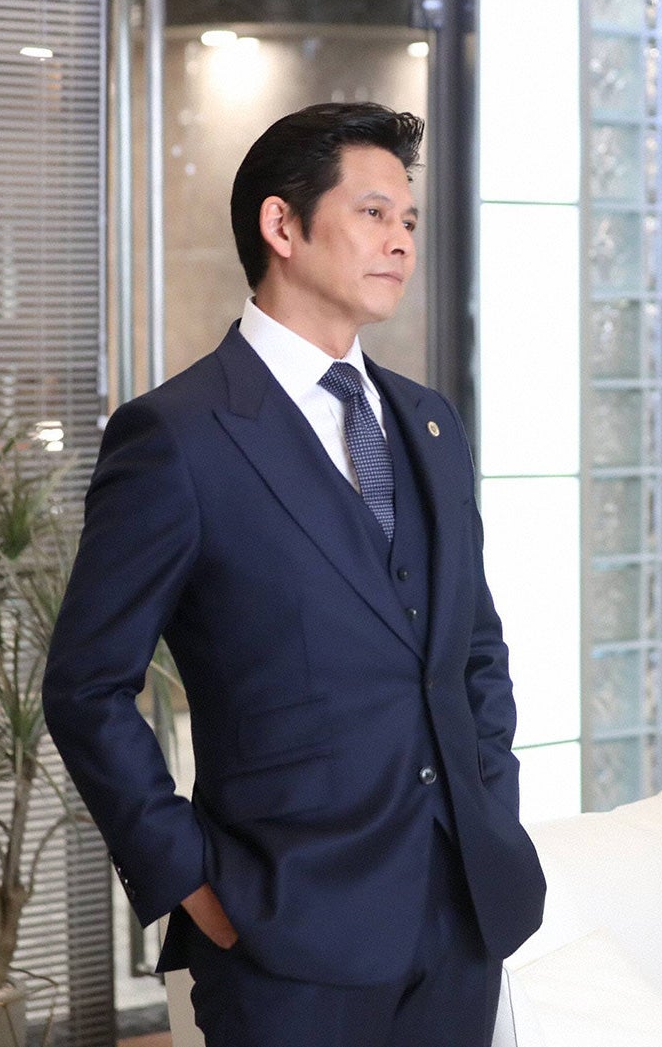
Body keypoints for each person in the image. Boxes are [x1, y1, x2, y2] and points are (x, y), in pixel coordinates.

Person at [43, 102, 545, 1046]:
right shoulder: (178, 437)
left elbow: (474, 647)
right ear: (282, 225)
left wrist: (492, 805)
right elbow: (85, 685)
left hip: (461, 923)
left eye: (408, 219)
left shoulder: (430, 421)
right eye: (373, 213)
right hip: (285, 937)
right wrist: (189, 877)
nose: (401, 240)